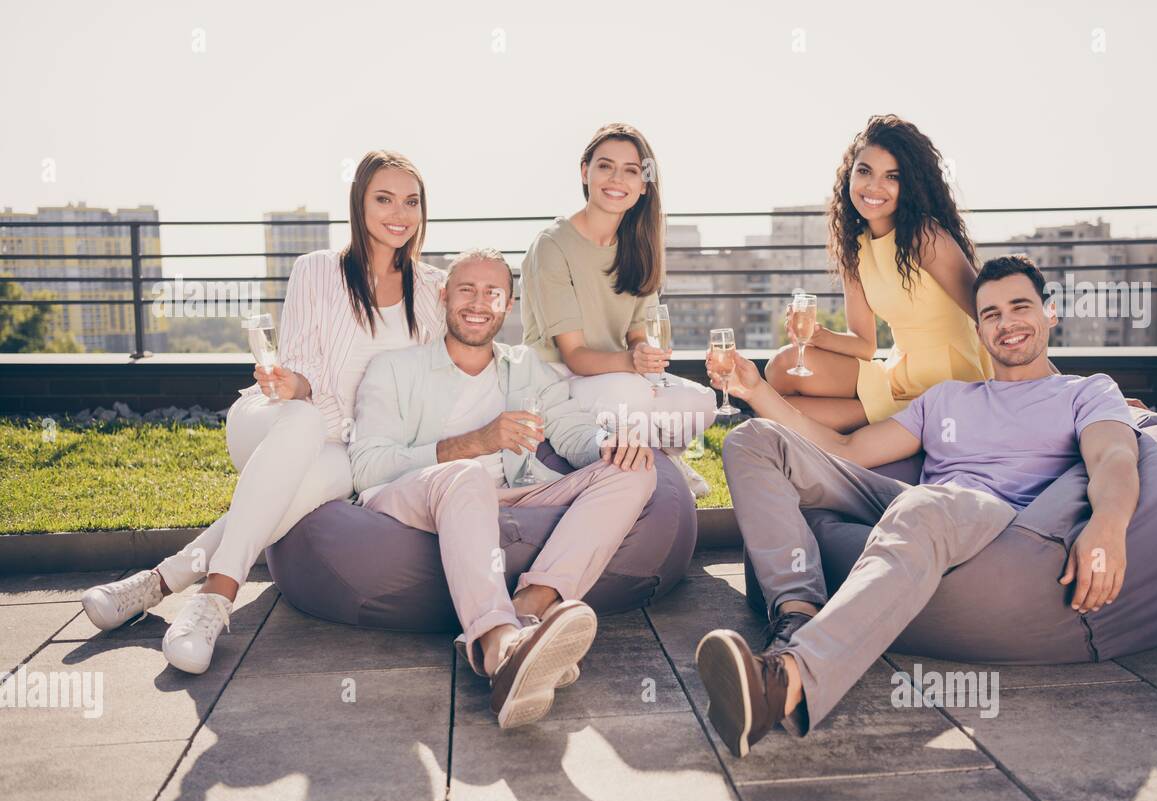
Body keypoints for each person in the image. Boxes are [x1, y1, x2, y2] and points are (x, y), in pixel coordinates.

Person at [697, 255, 1141, 757]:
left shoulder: (1085, 391)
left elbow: (1115, 457)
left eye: (1021, 306)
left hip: (994, 519)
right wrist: (755, 390)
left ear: (1050, 313)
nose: (1007, 322)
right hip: (919, 507)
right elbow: (846, 452)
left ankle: (786, 682)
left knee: (926, 506)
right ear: (978, 330)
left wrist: (1109, 523)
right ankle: (798, 614)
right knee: (753, 441)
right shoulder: (947, 398)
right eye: (991, 314)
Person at [80, 150, 446, 674]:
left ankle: (164, 584)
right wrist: (292, 383)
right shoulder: (318, 270)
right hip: (277, 418)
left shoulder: (430, 289)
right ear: (358, 204)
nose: (399, 213)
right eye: (383, 198)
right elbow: (296, 371)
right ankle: (211, 594)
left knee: (300, 485)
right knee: (302, 423)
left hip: (351, 447)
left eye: (411, 201)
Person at [350, 248, 657, 729]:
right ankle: (497, 647)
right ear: (443, 295)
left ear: (508, 306)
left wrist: (609, 443)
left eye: (492, 292)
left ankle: (530, 609)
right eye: (466, 290)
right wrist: (476, 442)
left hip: (512, 493)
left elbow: (572, 432)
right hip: (417, 492)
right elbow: (368, 468)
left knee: (636, 469)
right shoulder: (395, 369)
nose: (478, 303)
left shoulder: (525, 365)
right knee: (467, 474)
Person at [520, 122, 717, 496]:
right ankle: (660, 477)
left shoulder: (637, 244)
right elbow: (574, 355)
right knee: (634, 396)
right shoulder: (552, 246)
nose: (617, 179)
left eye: (631, 171)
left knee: (701, 403)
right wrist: (632, 363)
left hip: (616, 371)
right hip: (561, 376)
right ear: (585, 172)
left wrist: (641, 350)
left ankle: (663, 459)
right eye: (605, 166)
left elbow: (636, 331)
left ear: (644, 185)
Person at [763, 115, 994, 433]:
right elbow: (864, 345)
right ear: (849, 175)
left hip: (952, 380)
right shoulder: (854, 248)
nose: (873, 187)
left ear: (909, 184)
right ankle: (892, 419)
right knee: (780, 372)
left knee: (784, 411)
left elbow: (989, 316)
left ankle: (899, 421)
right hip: (898, 374)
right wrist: (817, 336)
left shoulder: (925, 236)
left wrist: (1044, 385)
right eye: (865, 171)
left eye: (892, 176)